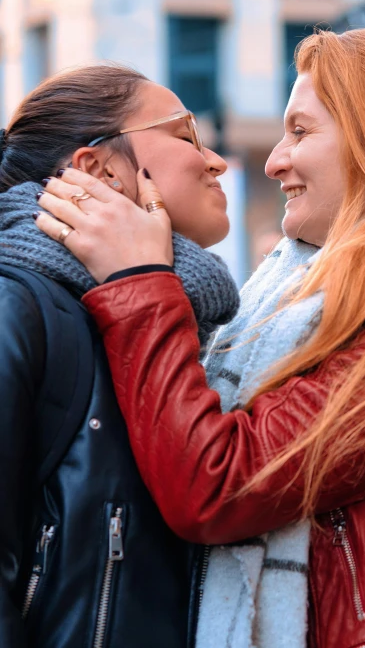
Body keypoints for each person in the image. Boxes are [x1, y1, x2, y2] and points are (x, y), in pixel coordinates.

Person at [35, 27, 365, 648]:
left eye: (300, 131)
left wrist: (138, 282)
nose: (273, 160)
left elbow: (217, 484)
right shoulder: (303, 290)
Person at [0, 64, 239, 648]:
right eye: (186, 136)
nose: (216, 161)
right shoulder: (18, 304)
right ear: (99, 170)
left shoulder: (190, 323)